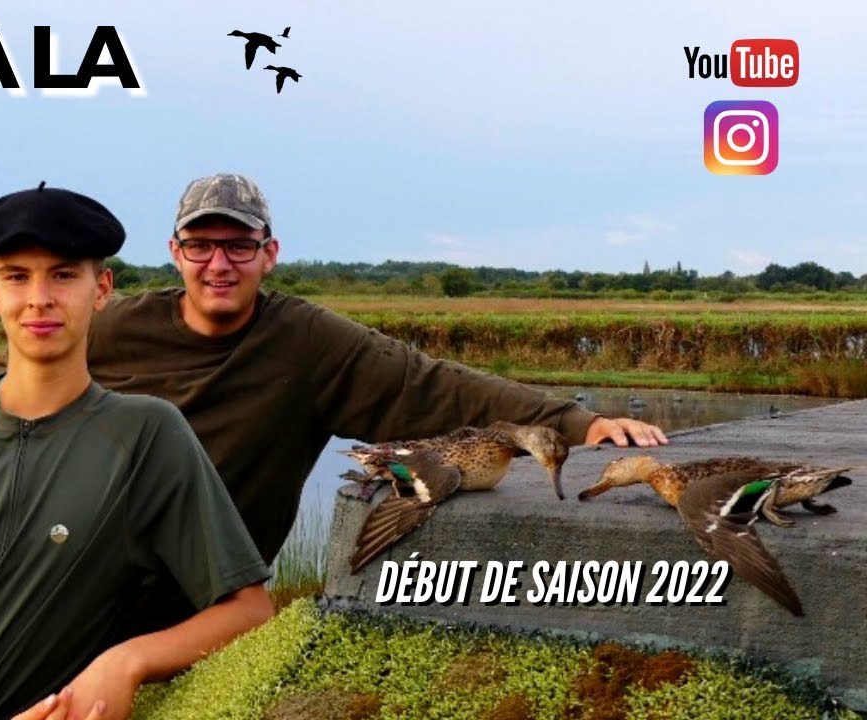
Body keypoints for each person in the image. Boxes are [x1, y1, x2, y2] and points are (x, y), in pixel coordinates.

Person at [87, 173, 670, 629]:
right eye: (200, 246)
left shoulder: (305, 342)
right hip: (82, 587)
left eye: (239, 246)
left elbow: (435, 386)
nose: (219, 264)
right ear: (174, 250)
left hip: (207, 609)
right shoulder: (109, 330)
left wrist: (577, 423)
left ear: (270, 253)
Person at [0, 185, 273, 720]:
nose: (39, 297)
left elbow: (248, 609)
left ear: (102, 288)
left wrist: (129, 661)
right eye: (18, 276)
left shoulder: (145, 435)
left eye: (64, 274)